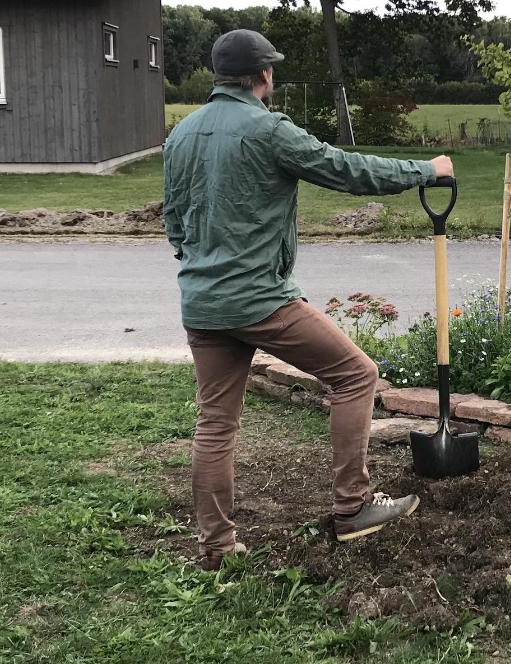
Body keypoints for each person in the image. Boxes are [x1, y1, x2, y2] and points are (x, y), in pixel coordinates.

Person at [163, 29, 454, 571]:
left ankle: (216, 550)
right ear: (263, 77)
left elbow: (173, 219)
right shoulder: (268, 129)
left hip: (201, 303)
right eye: (271, 70)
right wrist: (427, 171)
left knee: (214, 425)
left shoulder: (181, 134)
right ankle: (354, 507)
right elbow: (346, 171)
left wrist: (198, 264)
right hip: (259, 300)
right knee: (356, 375)